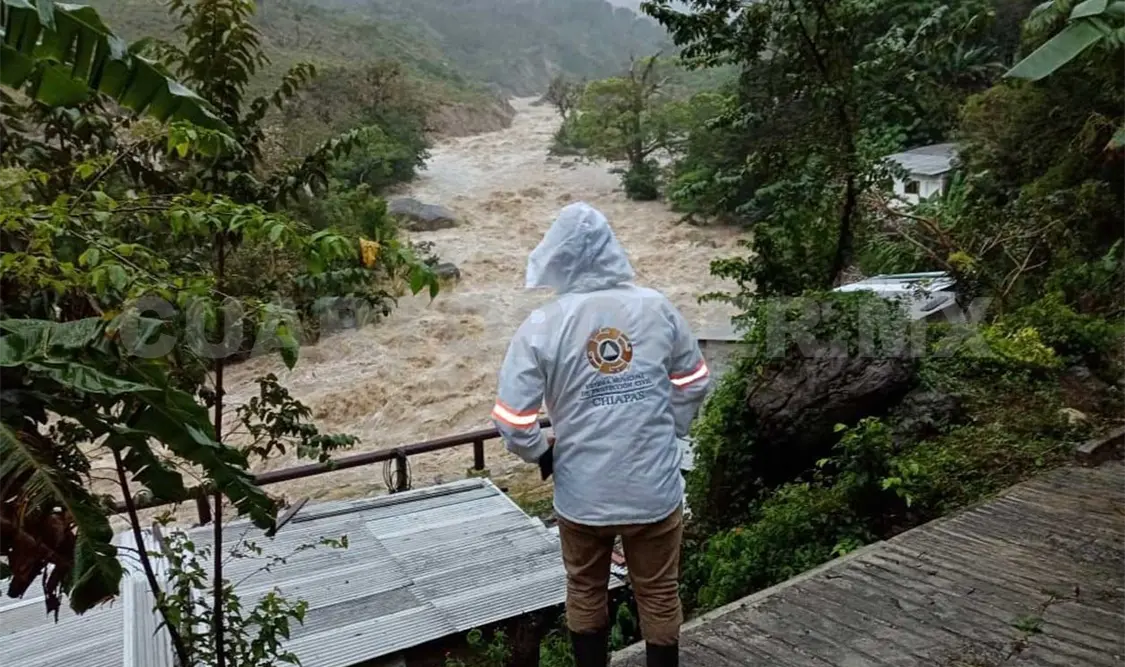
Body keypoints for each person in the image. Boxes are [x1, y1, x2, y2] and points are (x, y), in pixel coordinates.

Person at [490, 202, 711, 667]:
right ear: (612, 250)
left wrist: (541, 452)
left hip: (583, 494)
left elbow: (512, 419)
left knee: (585, 589)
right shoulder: (656, 307)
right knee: (659, 592)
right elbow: (694, 381)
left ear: (557, 258)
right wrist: (666, 430)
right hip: (653, 489)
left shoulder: (542, 325)